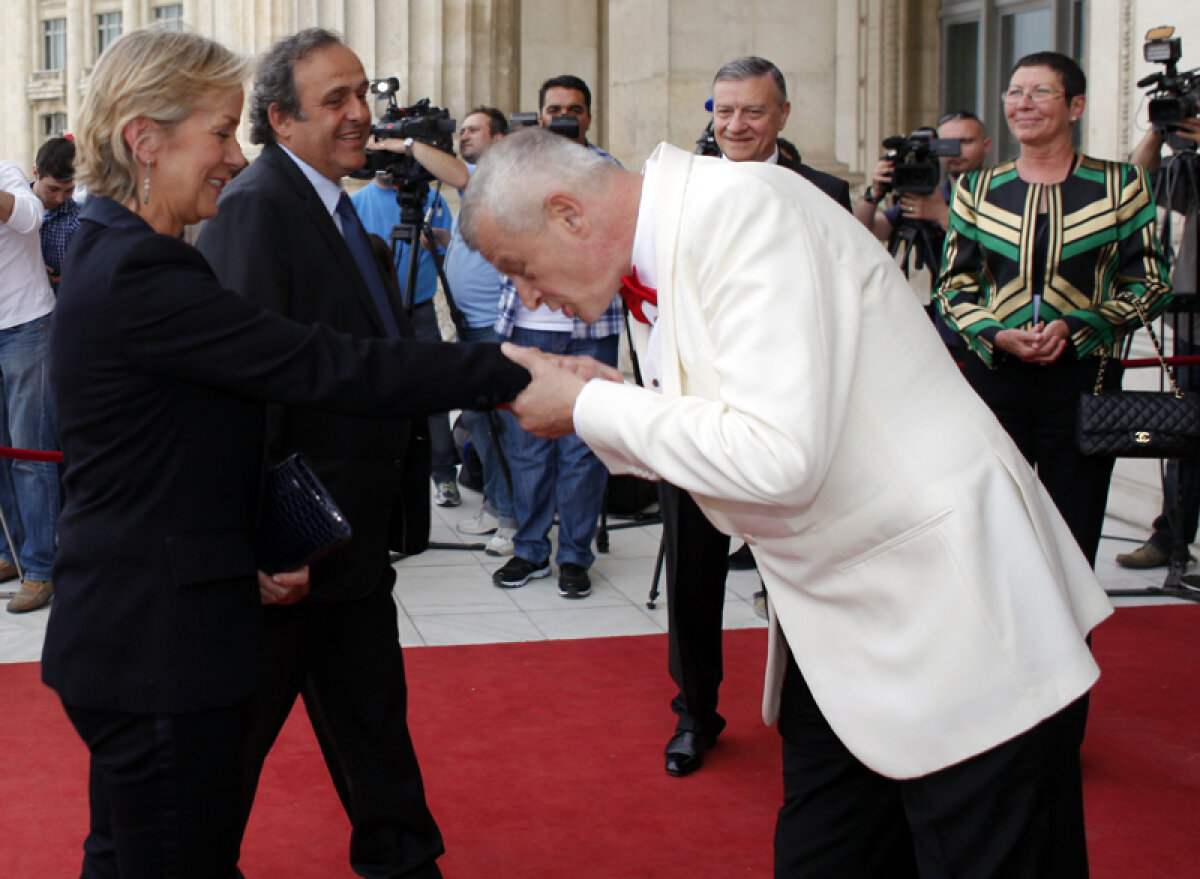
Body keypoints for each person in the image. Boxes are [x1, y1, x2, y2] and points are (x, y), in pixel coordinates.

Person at [461, 126, 1113, 878]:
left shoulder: (743, 212)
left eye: (519, 268)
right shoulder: (678, 234)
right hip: (843, 630)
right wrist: (613, 400)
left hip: (951, 617)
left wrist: (586, 410)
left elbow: (776, 458)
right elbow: (730, 423)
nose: (528, 295)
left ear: (569, 214)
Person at [44, 27, 527, 879]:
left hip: (139, 634)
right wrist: (513, 370)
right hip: (159, 648)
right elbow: (317, 363)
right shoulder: (141, 273)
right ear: (143, 140)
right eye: (221, 132)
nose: (236, 155)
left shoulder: (118, 253)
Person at [195, 28, 508, 879]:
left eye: (362, 92)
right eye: (335, 100)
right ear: (280, 120)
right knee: (223, 755)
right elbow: (250, 386)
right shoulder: (259, 208)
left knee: (373, 723)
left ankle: (404, 858)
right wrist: (269, 538)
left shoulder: (339, 207)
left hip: (351, 548)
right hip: (294, 553)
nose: (361, 114)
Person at [658, 55, 851, 778]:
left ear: (783, 115)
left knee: (808, 568)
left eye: (753, 112)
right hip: (700, 416)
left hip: (799, 417)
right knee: (693, 575)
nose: (736, 125)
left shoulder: (825, 194)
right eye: (725, 110)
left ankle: (819, 704)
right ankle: (694, 711)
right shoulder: (678, 192)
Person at [935, 52, 1172, 568]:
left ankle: (1070, 647)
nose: (1023, 104)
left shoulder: (1122, 186)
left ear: (1076, 105)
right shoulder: (976, 189)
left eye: (1040, 92)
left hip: (1084, 382)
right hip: (994, 379)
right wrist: (996, 333)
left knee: (1073, 536)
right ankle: (999, 648)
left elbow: (1151, 284)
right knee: (993, 534)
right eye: (1014, 93)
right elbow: (953, 286)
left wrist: (1078, 326)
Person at [489, 74, 624, 598]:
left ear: (589, 117)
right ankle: (529, 550)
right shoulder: (516, 169)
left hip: (593, 327)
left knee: (583, 449)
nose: (564, 117)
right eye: (554, 110)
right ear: (539, 115)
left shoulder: (609, 172)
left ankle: (574, 556)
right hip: (528, 327)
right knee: (527, 447)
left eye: (574, 109)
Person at [372, 107, 518, 555]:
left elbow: (461, 175)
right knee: (476, 419)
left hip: (495, 325)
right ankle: (497, 505)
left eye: (474, 130)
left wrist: (406, 144)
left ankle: (513, 518)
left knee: (500, 425)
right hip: (470, 324)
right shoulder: (472, 189)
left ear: (497, 139)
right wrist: (440, 240)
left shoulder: (497, 175)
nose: (464, 136)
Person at [349, 155, 459, 508]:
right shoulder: (356, 203)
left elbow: (453, 254)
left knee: (436, 393)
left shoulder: (430, 199)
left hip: (422, 308)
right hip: (377, 313)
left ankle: (444, 475)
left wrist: (440, 242)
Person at [1116, 116, 1200, 570]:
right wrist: (1157, 127)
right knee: (1185, 437)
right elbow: (1138, 181)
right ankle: (1170, 539)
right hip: (1194, 325)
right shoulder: (1191, 167)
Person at [0, 153, 60, 614]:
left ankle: (41, 569)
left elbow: (31, 215)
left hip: (26, 326)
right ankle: (9, 554)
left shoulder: (7, 172)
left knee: (30, 453)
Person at [31, 135, 81, 292]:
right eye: (53, 189)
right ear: (36, 173)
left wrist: (67, 276)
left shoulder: (81, 219)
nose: (60, 198)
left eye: (68, 190)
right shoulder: (11, 207)